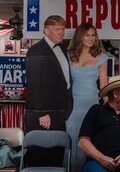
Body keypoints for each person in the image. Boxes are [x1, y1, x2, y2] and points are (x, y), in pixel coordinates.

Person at [25, 15, 73, 166]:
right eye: (57, 29)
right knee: (41, 156)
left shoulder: (63, 50)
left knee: (56, 155)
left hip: (59, 112)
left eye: (63, 29)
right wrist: (42, 113)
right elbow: (34, 85)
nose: (61, 33)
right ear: (46, 31)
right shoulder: (36, 50)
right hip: (44, 114)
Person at [67, 23, 108, 172]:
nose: (91, 38)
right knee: (72, 141)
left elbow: (104, 84)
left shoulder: (102, 57)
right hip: (72, 106)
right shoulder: (68, 55)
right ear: (79, 36)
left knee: (90, 141)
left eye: (93, 35)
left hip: (92, 104)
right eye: (87, 35)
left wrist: (108, 108)